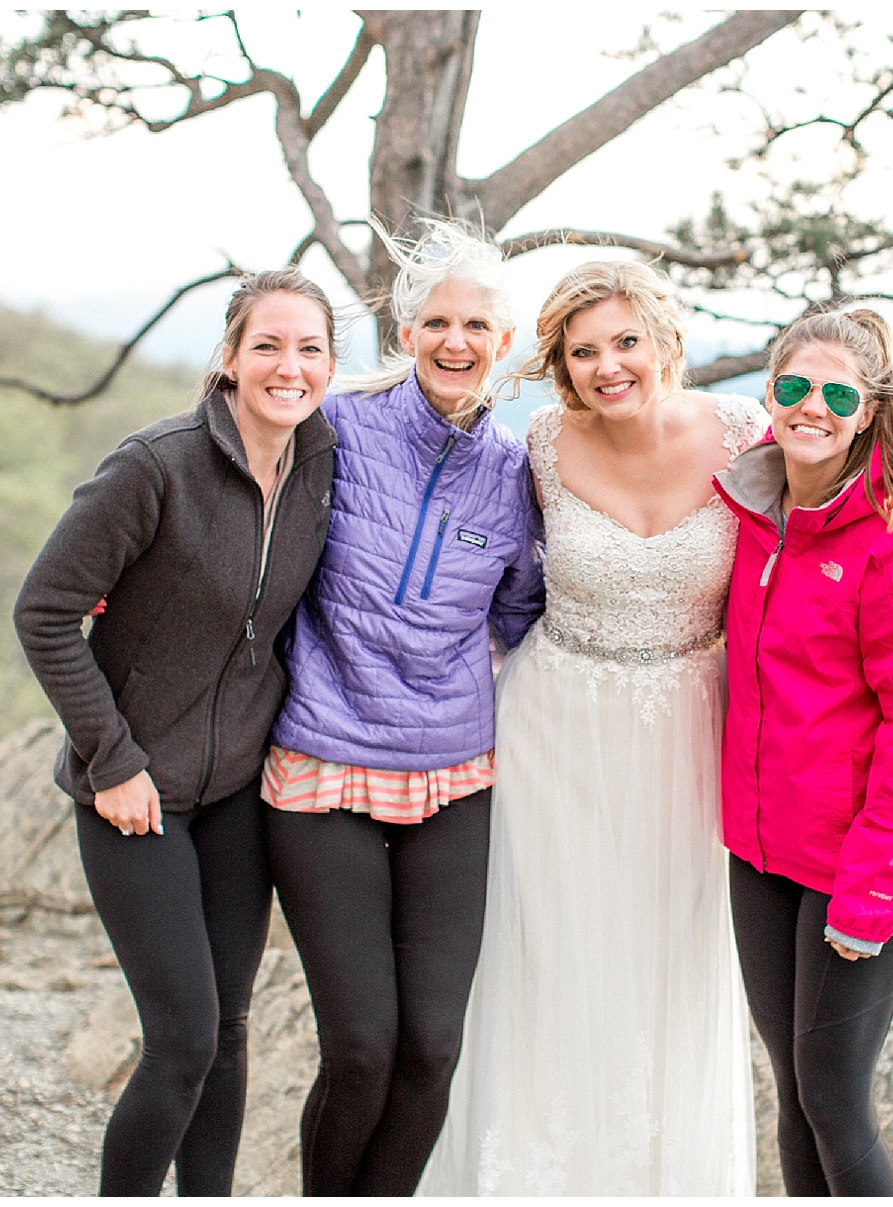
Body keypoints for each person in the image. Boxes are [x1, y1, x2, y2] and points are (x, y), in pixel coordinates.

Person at [418, 261, 765, 1196]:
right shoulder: (537, 443)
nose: (609, 366)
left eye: (624, 342)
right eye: (583, 352)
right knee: (545, 962)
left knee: (674, 964)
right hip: (553, 732)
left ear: (660, 339)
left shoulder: (746, 435)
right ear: (562, 367)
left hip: (689, 736)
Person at [12, 268, 339, 1197]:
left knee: (230, 1031)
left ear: (328, 367)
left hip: (238, 787)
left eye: (309, 348)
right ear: (229, 359)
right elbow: (43, 612)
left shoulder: (321, 464)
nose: (289, 365)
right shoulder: (154, 466)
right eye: (267, 345)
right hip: (134, 795)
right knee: (183, 1040)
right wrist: (110, 758)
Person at [261, 220, 546, 1197]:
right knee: (363, 1048)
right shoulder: (335, 425)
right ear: (406, 329)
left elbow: (521, 612)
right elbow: (234, 515)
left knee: (430, 1049)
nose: (457, 341)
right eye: (437, 322)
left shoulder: (516, 473)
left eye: (477, 324)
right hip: (322, 761)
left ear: (503, 343)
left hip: (454, 771)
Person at [714, 307, 893, 1196]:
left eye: (835, 393)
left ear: (866, 412)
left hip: (850, 869)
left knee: (835, 1100)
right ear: (768, 395)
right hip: (760, 853)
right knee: (794, 1094)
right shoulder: (757, 509)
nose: (809, 406)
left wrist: (871, 891)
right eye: (791, 386)